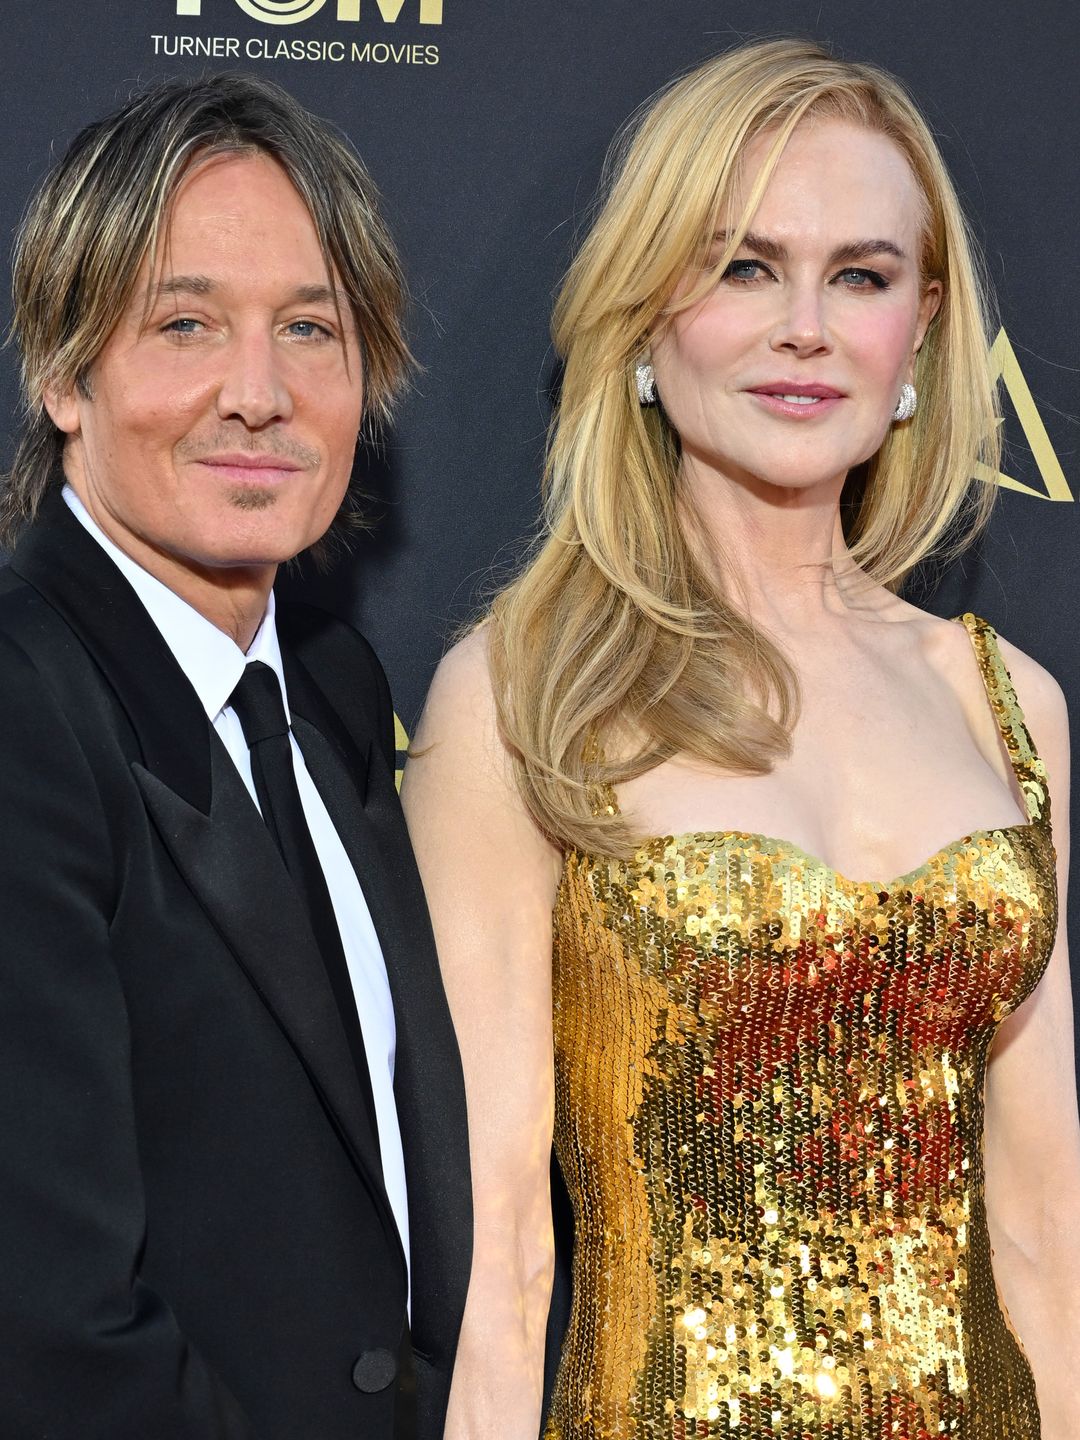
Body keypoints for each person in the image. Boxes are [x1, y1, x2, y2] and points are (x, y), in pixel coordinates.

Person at [401, 38, 1080, 1440]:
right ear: (649, 317)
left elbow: (1043, 1227)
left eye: (863, 275)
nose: (806, 328)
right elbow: (501, 1252)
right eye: (743, 266)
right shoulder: (526, 694)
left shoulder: (1005, 700)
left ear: (922, 330)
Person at [0, 74, 469, 1440]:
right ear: (61, 371)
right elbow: (49, 1327)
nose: (258, 396)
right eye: (186, 323)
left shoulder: (330, 683)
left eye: (310, 330)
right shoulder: (26, 711)